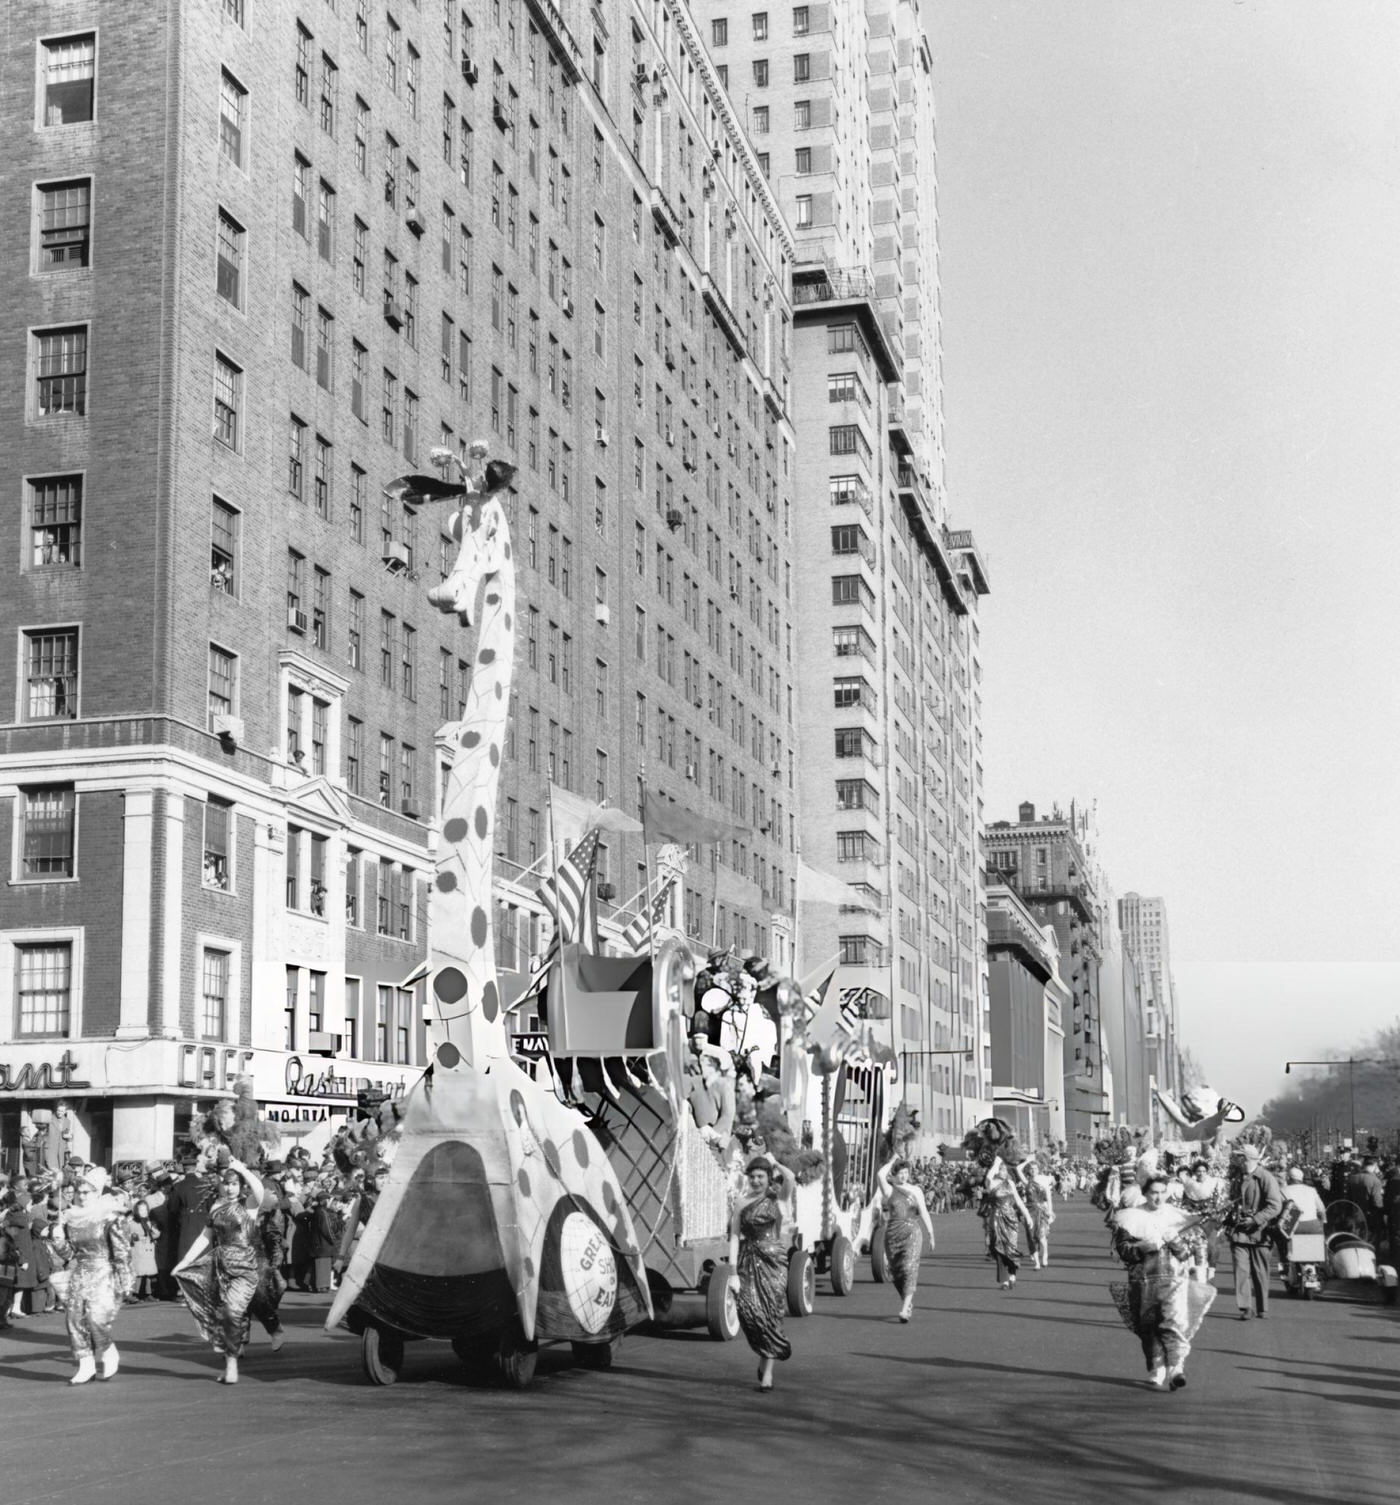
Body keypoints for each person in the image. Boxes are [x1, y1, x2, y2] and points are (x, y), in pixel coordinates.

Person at [1110, 1175, 1215, 1390]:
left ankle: (1176, 1368)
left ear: (1167, 1193)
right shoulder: (1130, 1218)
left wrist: (1175, 1241)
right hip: (1143, 1280)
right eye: (1153, 1193)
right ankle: (1156, 1367)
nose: (1158, 1197)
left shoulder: (1177, 1217)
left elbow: (1186, 1253)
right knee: (1148, 1327)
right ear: (1145, 1194)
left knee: (1173, 1324)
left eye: (1162, 1192)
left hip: (1174, 1279)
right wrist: (1144, 1246)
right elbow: (1123, 1250)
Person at [173, 1156, 269, 1384]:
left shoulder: (249, 1205)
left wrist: (242, 1169)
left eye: (234, 1184)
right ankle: (230, 1363)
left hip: (244, 1270)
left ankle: (232, 1365)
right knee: (224, 1317)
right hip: (221, 1269)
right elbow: (205, 1237)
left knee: (231, 1313)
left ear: (241, 1186)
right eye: (226, 1183)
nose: (230, 1188)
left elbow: (260, 1190)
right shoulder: (216, 1207)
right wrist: (185, 1261)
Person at [43, 1168, 133, 1384]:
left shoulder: (110, 1216)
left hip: (104, 1272)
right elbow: (69, 1254)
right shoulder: (72, 1218)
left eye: (86, 1192)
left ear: (97, 1192)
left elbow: (122, 1251)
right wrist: (58, 1240)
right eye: (79, 1192)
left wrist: (125, 1278)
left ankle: (108, 1351)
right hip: (80, 1273)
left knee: (97, 1318)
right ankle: (86, 1365)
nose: (81, 1196)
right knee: (74, 1320)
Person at [727, 1154, 795, 1391]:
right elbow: (734, 1237)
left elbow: (791, 1178)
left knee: (772, 1314)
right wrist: (732, 1272)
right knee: (749, 1312)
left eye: (761, 1177)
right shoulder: (741, 1203)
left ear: (768, 1178)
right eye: (752, 1177)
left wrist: (774, 1163)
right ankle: (766, 1351)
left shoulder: (777, 1197)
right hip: (748, 1260)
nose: (756, 1181)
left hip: (775, 1263)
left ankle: (767, 1372)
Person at [876, 1155, 936, 1322]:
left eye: (906, 1172)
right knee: (896, 1272)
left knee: (909, 1268)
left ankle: (904, 1309)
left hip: (912, 1232)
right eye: (900, 1173)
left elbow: (923, 1212)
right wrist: (892, 1161)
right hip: (893, 1234)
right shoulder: (889, 1190)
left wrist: (931, 1233)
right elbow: (880, 1175)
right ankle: (907, 1302)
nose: (904, 1176)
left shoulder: (916, 1190)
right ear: (894, 1174)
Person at [1229, 1144, 1283, 1320]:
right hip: (1239, 1232)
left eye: (1240, 1157)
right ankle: (1246, 1307)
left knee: (1260, 1272)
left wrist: (1256, 1219)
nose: (1237, 1160)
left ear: (1247, 1159)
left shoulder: (1265, 1177)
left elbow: (1275, 1205)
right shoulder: (1237, 1177)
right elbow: (1232, 1200)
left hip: (1260, 1232)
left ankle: (1262, 1307)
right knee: (1241, 1270)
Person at [979, 1158, 1033, 1289]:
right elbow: (988, 1178)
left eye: (1005, 1170)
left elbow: (1018, 1201)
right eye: (1001, 1170)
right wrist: (996, 1162)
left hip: (1011, 1218)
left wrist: (1027, 1215)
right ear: (997, 1171)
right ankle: (1004, 1280)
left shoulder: (1010, 1183)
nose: (1003, 1172)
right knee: (999, 1248)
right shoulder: (992, 1184)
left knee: (1011, 1247)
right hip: (997, 1218)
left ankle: (1012, 1275)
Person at [1023, 1159, 1056, 1270]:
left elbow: (1049, 1199)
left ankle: (1045, 1253)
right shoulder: (1027, 1182)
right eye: (1031, 1169)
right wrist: (1026, 1160)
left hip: (1042, 1211)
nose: (1033, 1170)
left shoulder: (1044, 1181)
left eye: (1035, 1168)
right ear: (1029, 1170)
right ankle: (1037, 1263)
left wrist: (1050, 1212)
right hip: (1030, 1211)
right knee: (1032, 1237)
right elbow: (1018, 1169)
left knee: (1041, 1237)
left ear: (1038, 1170)